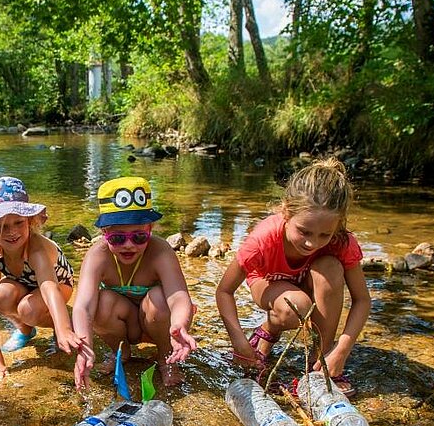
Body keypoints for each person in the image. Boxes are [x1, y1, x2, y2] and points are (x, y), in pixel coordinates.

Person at [215, 157, 371, 397]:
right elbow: (224, 291)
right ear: (286, 212)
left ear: (337, 225)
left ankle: (323, 360)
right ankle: (270, 328)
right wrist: (238, 341)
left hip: (311, 282)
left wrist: (342, 350)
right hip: (270, 282)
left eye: (324, 235)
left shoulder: (342, 241)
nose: (312, 243)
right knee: (294, 306)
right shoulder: (262, 240)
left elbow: (362, 299)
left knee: (330, 267)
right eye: (304, 231)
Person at [72, 176, 197, 391]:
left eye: (139, 237)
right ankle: (120, 351)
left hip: (157, 324)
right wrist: (84, 347)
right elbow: (83, 304)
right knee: (101, 303)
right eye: (118, 238)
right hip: (124, 324)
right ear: (104, 233)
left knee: (159, 297)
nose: (129, 245)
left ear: (151, 228)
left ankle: (166, 356)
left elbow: (178, 296)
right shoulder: (98, 255)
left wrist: (180, 324)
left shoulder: (160, 251)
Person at [0, 177, 85, 382]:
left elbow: (50, 288)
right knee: (1, 295)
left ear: (30, 221)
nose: (12, 232)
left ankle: (64, 326)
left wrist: (63, 329)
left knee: (28, 310)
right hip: (26, 284)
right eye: (1, 227)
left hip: (59, 284)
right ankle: (25, 330)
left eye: (18, 223)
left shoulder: (36, 249)